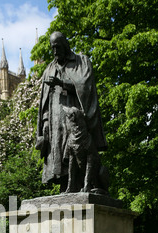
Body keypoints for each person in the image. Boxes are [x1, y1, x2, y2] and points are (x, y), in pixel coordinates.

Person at [36, 32, 108, 193]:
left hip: (74, 116)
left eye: (58, 47)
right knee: (59, 149)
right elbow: (44, 101)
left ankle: (86, 183)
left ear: (65, 45)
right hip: (55, 119)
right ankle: (67, 184)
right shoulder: (50, 68)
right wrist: (46, 121)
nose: (55, 52)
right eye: (52, 48)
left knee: (80, 148)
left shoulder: (81, 62)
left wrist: (62, 83)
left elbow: (85, 86)